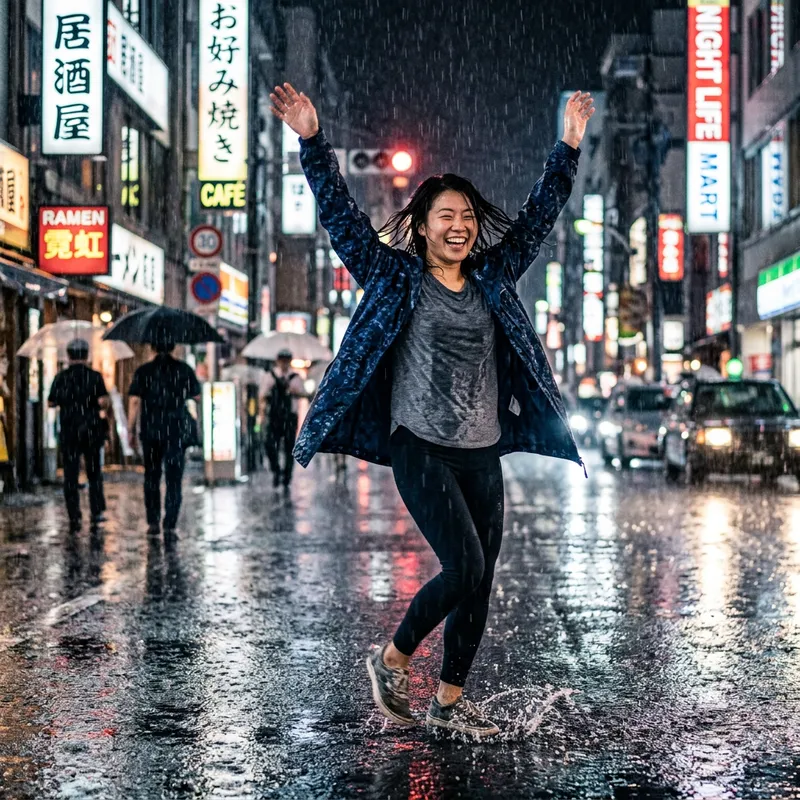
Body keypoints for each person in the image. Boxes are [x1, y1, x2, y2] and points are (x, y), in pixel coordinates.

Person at [270, 83, 593, 738]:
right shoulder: (395, 276)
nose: (459, 226)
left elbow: (538, 218)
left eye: (468, 218)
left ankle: (449, 702)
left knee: (480, 583)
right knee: (465, 565)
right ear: (421, 224)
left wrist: (568, 147)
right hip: (419, 444)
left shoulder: (492, 278)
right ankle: (391, 659)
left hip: (484, 449)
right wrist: (311, 139)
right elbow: (340, 219)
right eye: (445, 216)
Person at [127, 340, 201, 537]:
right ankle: (170, 524)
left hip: (151, 430)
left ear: (152, 347)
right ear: (173, 347)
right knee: (174, 479)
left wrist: (130, 430)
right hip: (176, 430)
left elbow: (134, 401)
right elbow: (197, 396)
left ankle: (153, 522)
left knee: (151, 476)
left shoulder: (144, 371)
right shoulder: (183, 370)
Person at [47, 338, 109, 532]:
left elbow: (50, 403)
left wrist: (68, 401)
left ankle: (74, 515)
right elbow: (103, 402)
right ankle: (96, 511)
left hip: (69, 430)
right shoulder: (95, 376)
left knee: (70, 474)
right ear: (86, 355)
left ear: (69, 355)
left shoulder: (61, 377)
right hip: (91, 429)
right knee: (94, 473)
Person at [258, 349, 305, 489]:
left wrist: (293, 392)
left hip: (290, 417)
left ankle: (287, 475)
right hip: (274, 417)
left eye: (286, 360)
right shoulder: (270, 376)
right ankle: (276, 470)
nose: (284, 363)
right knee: (270, 445)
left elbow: (303, 394)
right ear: (277, 361)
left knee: (289, 447)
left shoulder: (295, 377)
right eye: (282, 360)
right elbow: (262, 396)